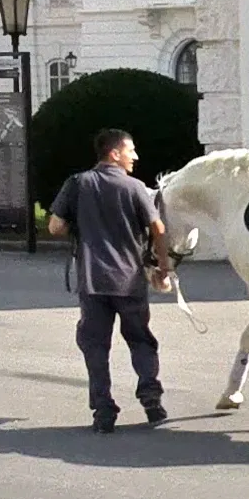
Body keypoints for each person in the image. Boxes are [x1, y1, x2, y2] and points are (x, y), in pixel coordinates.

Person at [48, 128, 174, 431]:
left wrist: (81, 224)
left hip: (92, 281)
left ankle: (103, 411)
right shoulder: (134, 188)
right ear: (114, 153)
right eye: (131, 150)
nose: (136, 157)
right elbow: (157, 228)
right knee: (141, 340)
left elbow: (54, 227)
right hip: (129, 279)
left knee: (95, 345)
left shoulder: (77, 183)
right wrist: (165, 266)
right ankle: (150, 397)